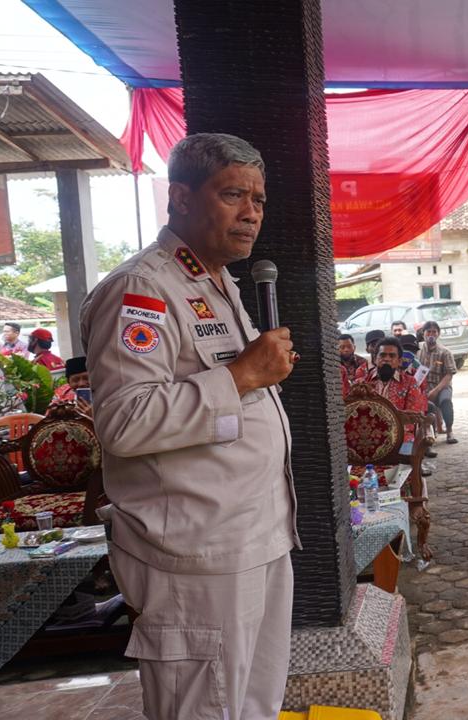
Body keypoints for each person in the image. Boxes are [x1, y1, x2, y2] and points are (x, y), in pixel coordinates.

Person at [81, 133, 297, 720]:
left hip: (255, 536)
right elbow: (124, 421)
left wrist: (244, 378)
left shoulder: (218, 283)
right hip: (194, 556)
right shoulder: (142, 289)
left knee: (255, 706)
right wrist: (242, 376)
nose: (251, 212)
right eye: (232, 195)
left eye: (258, 199)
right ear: (179, 198)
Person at [417, 321, 458, 444]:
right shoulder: (418, 350)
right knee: (424, 405)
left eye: (434, 332)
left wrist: (436, 390)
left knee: (445, 401)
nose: (431, 334)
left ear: (438, 334)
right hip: (423, 386)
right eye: (428, 331)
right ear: (423, 333)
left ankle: (449, 431)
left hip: (442, 386)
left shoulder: (445, 352)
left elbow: (449, 374)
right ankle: (429, 433)